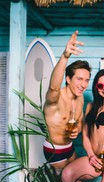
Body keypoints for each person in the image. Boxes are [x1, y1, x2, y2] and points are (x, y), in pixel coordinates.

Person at [61, 69, 104, 182]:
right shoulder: (91, 106)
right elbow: (85, 135)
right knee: (66, 176)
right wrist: (91, 155)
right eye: (100, 86)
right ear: (96, 88)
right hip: (95, 157)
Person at [43, 30, 91, 170]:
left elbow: (80, 122)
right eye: (80, 79)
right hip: (54, 150)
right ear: (68, 79)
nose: (83, 84)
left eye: (87, 80)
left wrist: (77, 129)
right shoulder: (56, 99)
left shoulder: (80, 98)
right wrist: (65, 56)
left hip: (69, 148)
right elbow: (53, 87)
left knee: (76, 179)